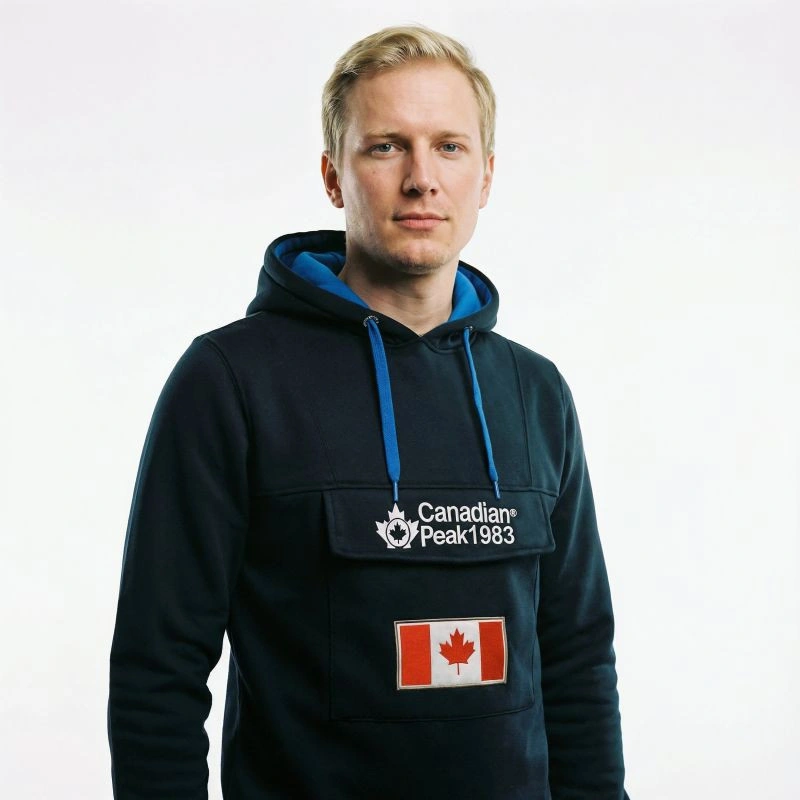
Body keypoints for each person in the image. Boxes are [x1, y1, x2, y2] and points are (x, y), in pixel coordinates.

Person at [108, 24, 629, 799]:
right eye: (386, 147)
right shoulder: (230, 382)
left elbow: (578, 657)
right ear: (333, 175)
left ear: (486, 175)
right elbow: (158, 671)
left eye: (449, 147)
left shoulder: (535, 393)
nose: (422, 179)